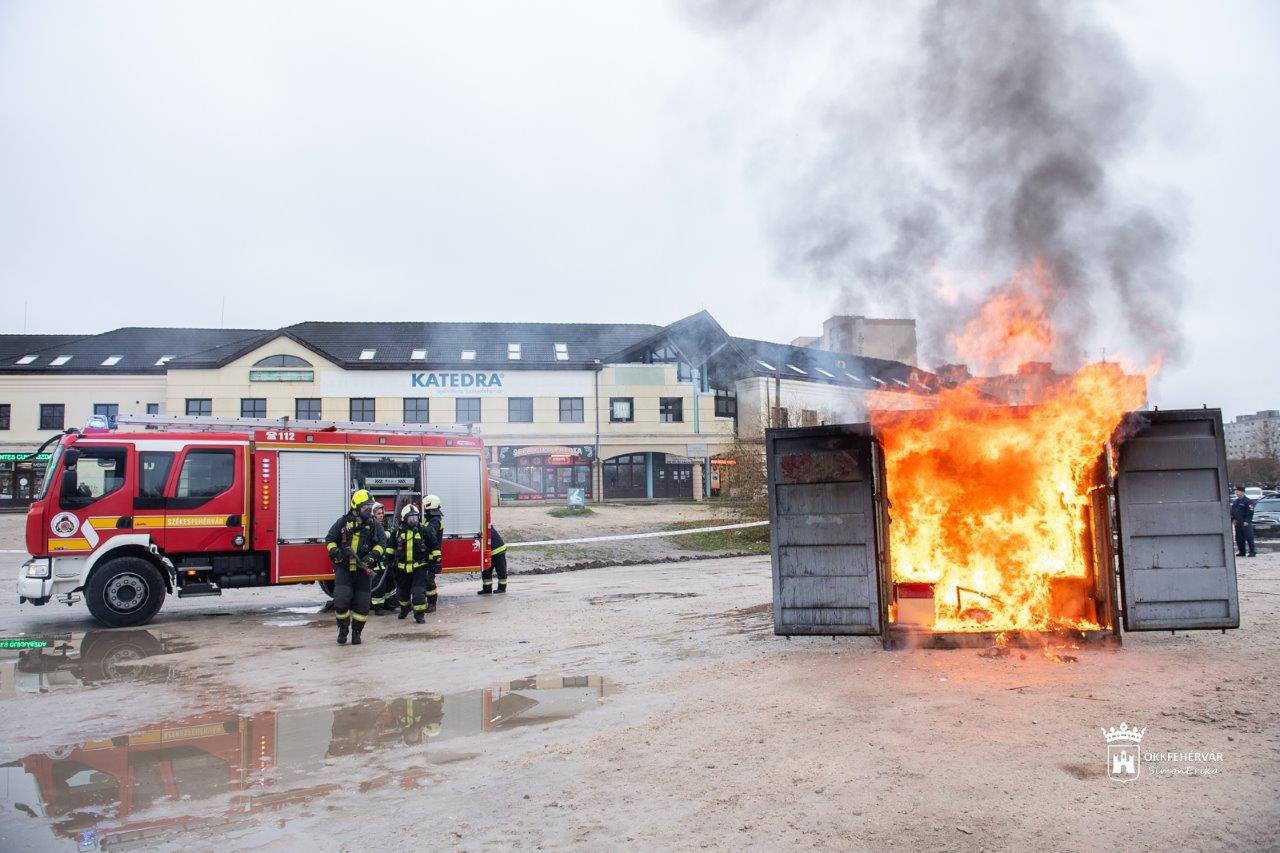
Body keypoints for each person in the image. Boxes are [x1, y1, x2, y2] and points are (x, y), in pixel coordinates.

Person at [324, 489, 386, 645]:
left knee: (362, 603)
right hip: (344, 569)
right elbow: (330, 539)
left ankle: (357, 632)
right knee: (341, 600)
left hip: (363, 571)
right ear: (356, 507)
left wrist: (372, 556)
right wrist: (336, 552)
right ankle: (343, 629)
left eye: (370, 507)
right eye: (365, 507)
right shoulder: (343, 522)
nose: (368, 511)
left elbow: (382, 543)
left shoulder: (373, 525)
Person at [393, 504, 437, 622]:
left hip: (419, 568)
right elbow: (390, 548)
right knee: (402, 594)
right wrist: (388, 561)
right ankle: (405, 608)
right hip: (402, 569)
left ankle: (419, 616)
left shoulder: (424, 531)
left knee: (418, 593)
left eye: (416, 518)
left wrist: (436, 561)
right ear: (404, 519)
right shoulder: (397, 533)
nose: (414, 521)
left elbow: (434, 546)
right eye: (411, 518)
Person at [369, 502, 397, 616]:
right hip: (377, 562)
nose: (381, 515)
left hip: (385, 561)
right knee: (378, 586)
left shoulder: (383, 525)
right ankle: (377, 608)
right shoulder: (371, 527)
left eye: (382, 513)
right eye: (378, 513)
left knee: (388, 585)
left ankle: (387, 604)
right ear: (373, 514)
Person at [421, 494, 443, 612]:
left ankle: (432, 604)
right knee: (424, 579)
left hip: (432, 557)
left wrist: (418, 527)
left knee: (429, 581)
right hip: (426, 555)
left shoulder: (435, 521)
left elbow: (430, 532)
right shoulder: (429, 519)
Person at [478, 524, 508, 595]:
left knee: (500, 571)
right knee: (486, 571)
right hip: (490, 552)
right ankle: (487, 589)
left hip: (498, 551)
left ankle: (502, 588)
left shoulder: (483, 526)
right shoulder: (484, 524)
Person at [1231, 486, 1257, 558]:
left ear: (1242, 492)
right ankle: (1242, 552)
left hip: (1245, 522)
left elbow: (1250, 512)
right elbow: (1233, 511)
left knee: (1249, 537)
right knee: (1239, 538)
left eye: (1238, 492)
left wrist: (1247, 521)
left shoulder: (1248, 501)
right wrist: (1233, 519)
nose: (1237, 493)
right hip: (1238, 522)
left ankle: (1252, 552)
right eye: (1236, 492)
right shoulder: (1236, 501)